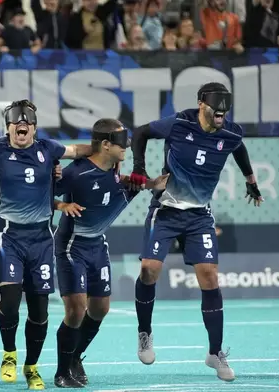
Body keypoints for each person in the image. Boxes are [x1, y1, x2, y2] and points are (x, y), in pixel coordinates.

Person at [129, 82, 264, 382]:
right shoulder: (178, 124)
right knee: (149, 270)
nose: (221, 115)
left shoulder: (230, 133)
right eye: (216, 109)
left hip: (199, 215)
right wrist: (139, 167)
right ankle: (144, 332)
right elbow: (140, 133)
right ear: (202, 104)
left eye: (224, 111)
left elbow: (238, 148)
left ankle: (215, 353)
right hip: (165, 211)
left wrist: (250, 180)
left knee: (209, 276)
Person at [0, 100, 92, 390]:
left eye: (26, 123)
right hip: (9, 236)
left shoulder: (47, 149)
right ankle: (9, 354)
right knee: (11, 302)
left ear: (34, 129)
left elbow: (78, 150)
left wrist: (107, 148)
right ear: (9, 128)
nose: (20, 126)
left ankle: (32, 367)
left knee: (40, 311)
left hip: (41, 238)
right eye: (15, 123)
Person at [52, 119, 169, 388]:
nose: (127, 145)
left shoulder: (115, 166)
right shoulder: (75, 173)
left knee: (100, 309)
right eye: (121, 141)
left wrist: (151, 184)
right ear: (105, 145)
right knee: (75, 311)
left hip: (97, 245)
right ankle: (61, 372)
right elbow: (41, 195)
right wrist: (62, 205)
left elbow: (118, 183)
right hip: (72, 246)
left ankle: (75, 358)